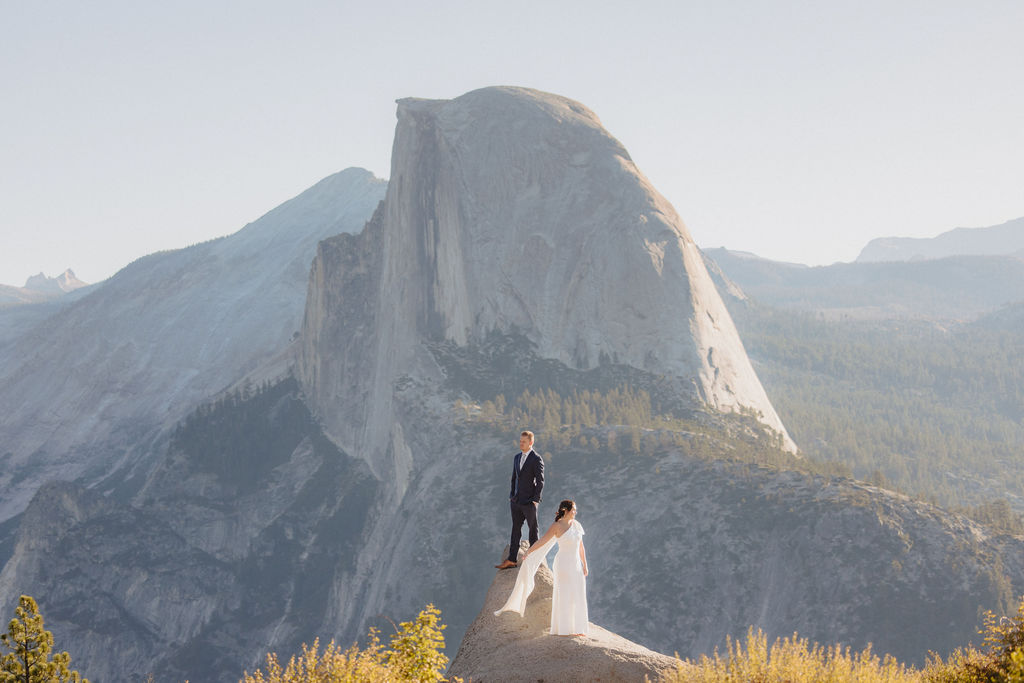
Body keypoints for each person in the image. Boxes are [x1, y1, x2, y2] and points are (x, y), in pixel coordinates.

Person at [494, 499, 589, 637]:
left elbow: (581, 547)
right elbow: (543, 541)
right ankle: (564, 629)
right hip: (563, 564)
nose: (576, 512)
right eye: (573, 509)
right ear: (566, 510)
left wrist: (584, 565)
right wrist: (529, 551)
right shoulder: (557, 526)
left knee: (578, 593)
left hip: (575, 565)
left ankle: (578, 628)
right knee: (565, 594)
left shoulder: (577, 525)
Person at [495, 431, 544, 570]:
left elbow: (540, 481)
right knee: (515, 530)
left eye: (523, 441)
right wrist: (512, 495)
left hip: (529, 502)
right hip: (516, 501)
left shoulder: (536, 459)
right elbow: (514, 478)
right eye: (520, 441)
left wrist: (535, 500)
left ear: (531, 442)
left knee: (533, 531)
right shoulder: (517, 457)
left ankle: (536, 560)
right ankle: (511, 559)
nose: (520, 443)